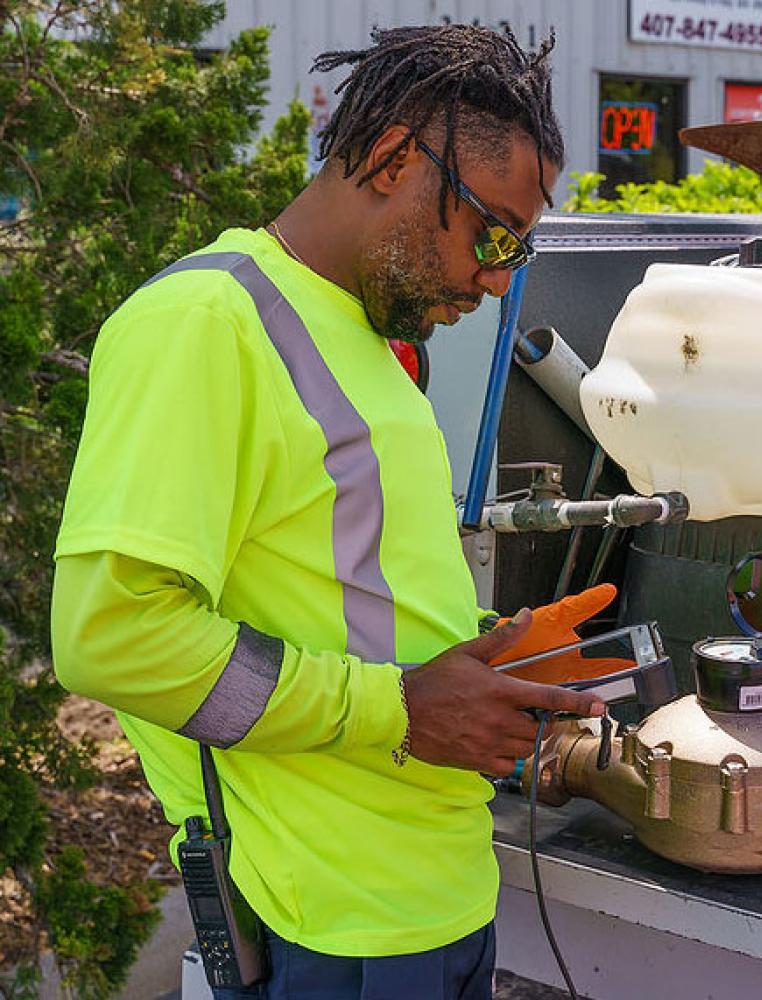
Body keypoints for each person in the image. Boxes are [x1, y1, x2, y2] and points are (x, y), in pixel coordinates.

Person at [50, 22, 606, 1000]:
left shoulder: (361, 340)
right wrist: (397, 709)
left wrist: (478, 653)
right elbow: (112, 635)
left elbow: (339, 599)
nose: (500, 276)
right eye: (496, 233)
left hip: (433, 897)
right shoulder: (204, 324)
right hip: (329, 925)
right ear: (397, 160)